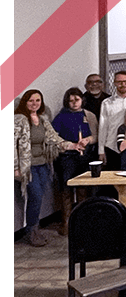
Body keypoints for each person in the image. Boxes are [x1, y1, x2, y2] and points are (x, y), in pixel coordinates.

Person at [14, 90, 83, 246]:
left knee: (37, 198)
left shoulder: (43, 120)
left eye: (38, 100)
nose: (34, 103)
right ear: (25, 102)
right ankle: (31, 230)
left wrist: (73, 145)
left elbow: (55, 139)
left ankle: (34, 229)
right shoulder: (19, 120)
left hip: (43, 165)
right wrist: (15, 167)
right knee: (36, 197)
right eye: (31, 100)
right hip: (27, 167)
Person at [51, 88, 98, 218]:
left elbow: (96, 135)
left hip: (85, 155)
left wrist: (87, 140)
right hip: (67, 156)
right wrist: (70, 145)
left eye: (76, 100)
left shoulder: (89, 115)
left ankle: (81, 219)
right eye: (70, 101)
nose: (74, 103)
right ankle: (67, 221)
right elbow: (53, 137)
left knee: (83, 188)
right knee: (66, 188)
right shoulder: (61, 116)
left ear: (82, 100)